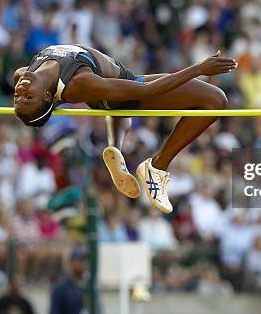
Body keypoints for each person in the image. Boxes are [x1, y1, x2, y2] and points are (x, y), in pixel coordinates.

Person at [13, 44, 237, 214]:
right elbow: (146, 90)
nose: (21, 90)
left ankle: (115, 148)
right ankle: (157, 167)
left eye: (19, 96)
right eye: (29, 96)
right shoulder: (78, 85)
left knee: (117, 112)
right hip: (121, 91)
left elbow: (43, 99)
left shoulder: (20, 75)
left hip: (104, 89)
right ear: (47, 96)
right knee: (215, 100)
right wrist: (199, 68)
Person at [50, 246, 89, 314]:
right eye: (80, 260)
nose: (83, 263)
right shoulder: (61, 288)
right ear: (71, 262)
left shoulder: (90, 287)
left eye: (85, 260)